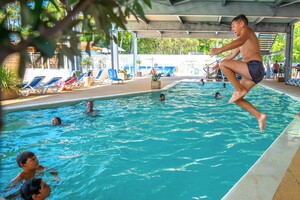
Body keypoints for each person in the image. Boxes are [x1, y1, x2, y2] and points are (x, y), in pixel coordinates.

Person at [209, 14, 267, 132]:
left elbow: (239, 41)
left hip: (254, 67)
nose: (232, 29)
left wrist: (219, 50)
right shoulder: (241, 42)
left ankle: (238, 89)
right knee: (237, 100)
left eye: (233, 26)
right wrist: (218, 64)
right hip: (254, 73)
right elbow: (231, 55)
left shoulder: (247, 31)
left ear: (241, 24)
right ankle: (259, 116)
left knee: (224, 65)